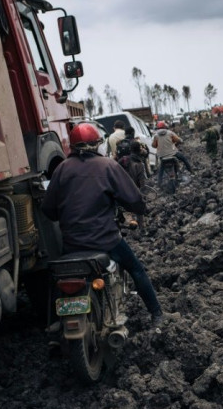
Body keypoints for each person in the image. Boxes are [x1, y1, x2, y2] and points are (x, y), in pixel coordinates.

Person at [41, 123, 163, 326]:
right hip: (105, 240)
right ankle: (157, 314)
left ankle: (55, 322)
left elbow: (48, 210)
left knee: (58, 280)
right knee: (137, 270)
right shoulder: (107, 166)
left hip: (72, 244)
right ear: (97, 144)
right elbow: (133, 199)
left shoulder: (61, 169)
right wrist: (142, 208)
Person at [152, 121, 191, 186]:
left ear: (157, 128)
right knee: (184, 159)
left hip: (162, 156)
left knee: (160, 170)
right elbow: (179, 140)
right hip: (173, 154)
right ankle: (191, 170)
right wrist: (180, 141)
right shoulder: (170, 133)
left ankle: (159, 183)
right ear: (165, 126)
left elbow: (154, 145)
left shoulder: (156, 136)